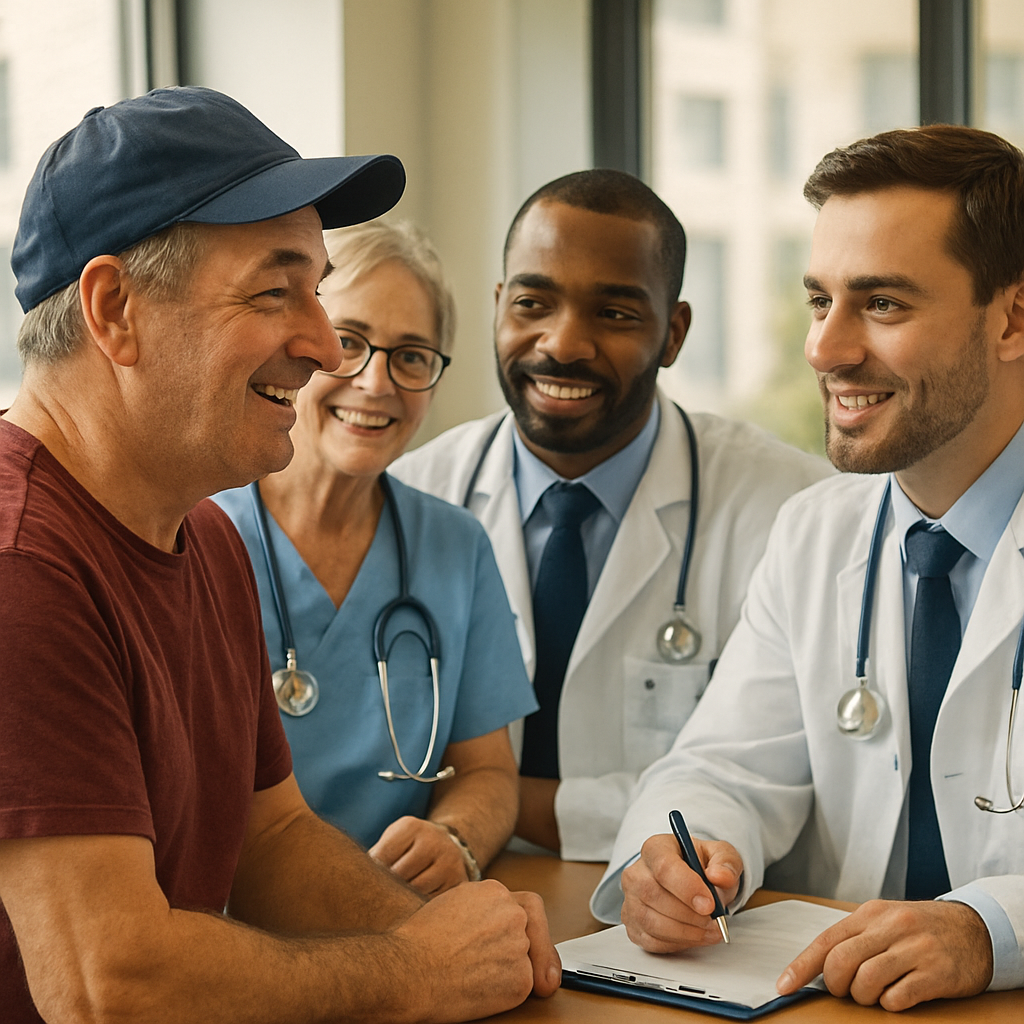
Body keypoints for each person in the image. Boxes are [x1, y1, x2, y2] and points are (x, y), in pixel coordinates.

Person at [0, 87, 558, 1024]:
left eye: (315, 287)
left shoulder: (204, 540)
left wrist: (460, 941)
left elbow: (272, 841)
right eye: (275, 291)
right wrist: (414, 974)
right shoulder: (22, 568)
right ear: (113, 310)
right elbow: (107, 984)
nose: (321, 343)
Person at [595, 124, 1024, 1009]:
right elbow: (723, 767)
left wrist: (991, 930)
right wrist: (683, 853)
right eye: (818, 301)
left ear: (1013, 318)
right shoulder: (815, 534)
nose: (826, 350)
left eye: (884, 304)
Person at [393, 169, 830, 860]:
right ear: (498, 305)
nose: (564, 344)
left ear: (674, 333)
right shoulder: (410, 497)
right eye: (533, 303)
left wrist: (500, 800)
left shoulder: (786, 509)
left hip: (675, 918)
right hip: (454, 904)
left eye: (615, 313)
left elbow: (773, 777)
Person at [214, 220, 536, 896]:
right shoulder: (198, 532)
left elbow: (488, 774)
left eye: (412, 355)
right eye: (349, 343)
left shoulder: (454, 547)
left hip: (397, 913)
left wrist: (456, 838)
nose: (376, 382)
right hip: (232, 922)